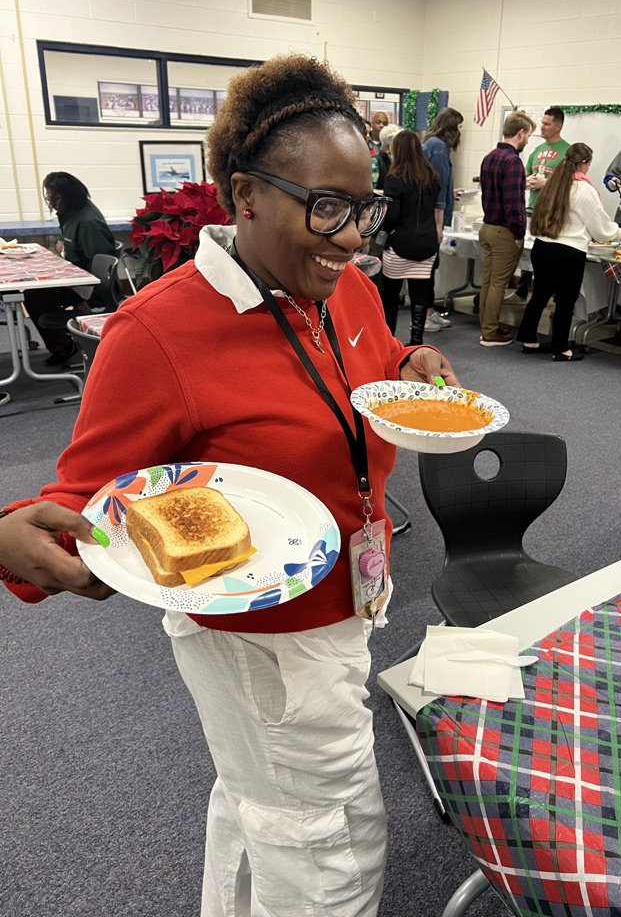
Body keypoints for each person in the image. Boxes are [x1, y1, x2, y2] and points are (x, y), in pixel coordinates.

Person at [0, 53, 459, 917]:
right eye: (326, 206)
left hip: (348, 596)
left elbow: (366, 370)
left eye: (365, 207)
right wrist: (14, 540)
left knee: (265, 802)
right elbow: (78, 503)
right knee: (330, 838)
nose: (356, 235)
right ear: (244, 196)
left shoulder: (345, 289)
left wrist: (411, 360)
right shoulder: (158, 333)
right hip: (263, 640)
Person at [517, 143, 621, 361]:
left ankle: (528, 339)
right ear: (584, 164)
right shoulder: (584, 189)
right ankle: (560, 349)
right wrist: (618, 233)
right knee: (566, 302)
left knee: (539, 296)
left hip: (542, 246)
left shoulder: (552, 184)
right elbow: (599, 227)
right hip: (568, 252)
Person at [24, 172, 116, 365]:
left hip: (87, 287)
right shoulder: (71, 213)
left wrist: (90, 300)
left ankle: (64, 346)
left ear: (67, 196)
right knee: (33, 293)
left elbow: (101, 269)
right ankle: (64, 344)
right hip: (76, 279)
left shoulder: (88, 222)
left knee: (35, 299)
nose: (51, 203)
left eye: (53, 198)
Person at [477, 110, 536, 346]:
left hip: (487, 226)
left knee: (488, 281)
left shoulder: (489, 156)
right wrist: (519, 233)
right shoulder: (513, 162)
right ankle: (490, 331)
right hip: (504, 231)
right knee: (499, 283)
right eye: (529, 135)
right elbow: (513, 204)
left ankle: (487, 326)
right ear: (520, 133)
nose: (528, 141)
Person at [379, 130, 440, 344]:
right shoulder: (432, 177)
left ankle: (388, 340)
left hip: (400, 245)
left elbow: (392, 215)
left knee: (391, 297)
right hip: (427, 245)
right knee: (420, 297)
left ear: (397, 150)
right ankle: (416, 341)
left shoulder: (394, 179)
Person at [508, 106, 570, 304]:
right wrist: (525, 182)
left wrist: (547, 184)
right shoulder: (537, 150)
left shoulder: (567, 152)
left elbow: (571, 183)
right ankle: (521, 290)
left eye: (546, 124)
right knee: (527, 253)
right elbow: (524, 176)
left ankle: (551, 295)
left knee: (548, 258)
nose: (541, 128)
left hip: (551, 213)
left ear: (558, 126)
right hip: (530, 210)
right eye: (542, 123)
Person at [423, 107, 464, 334]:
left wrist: (452, 192)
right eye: (459, 128)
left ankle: (429, 311)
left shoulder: (432, 144)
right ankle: (427, 314)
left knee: (430, 268)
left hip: (430, 216)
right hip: (432, 219)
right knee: (429, 268)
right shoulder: (438, 148)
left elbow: (439, 187)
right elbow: (437, 191)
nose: (460, 133)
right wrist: (439, 226)